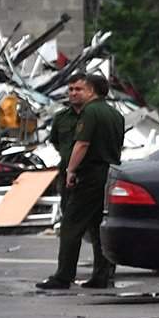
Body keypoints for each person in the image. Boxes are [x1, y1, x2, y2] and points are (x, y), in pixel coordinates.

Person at [36, 73, 126, 291]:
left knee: (71, 226)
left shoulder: (91, 112)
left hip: (86, 175)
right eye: (71, 89)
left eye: (79, 89)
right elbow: (58, 143)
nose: (74, 93)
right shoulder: (115, 115)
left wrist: (71, 170)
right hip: (106, 174)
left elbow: (82, 145)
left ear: (91, 91)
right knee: (97, 226)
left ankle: (63, 276)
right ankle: (102, 275)